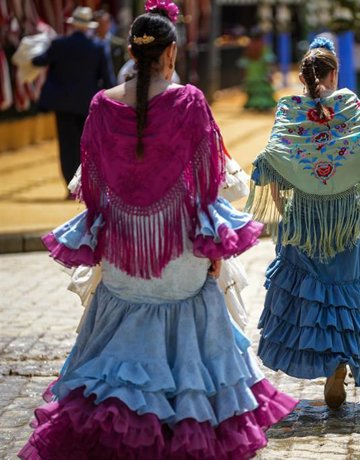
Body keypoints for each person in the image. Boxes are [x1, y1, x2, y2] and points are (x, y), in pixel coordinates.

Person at [19, 2, 297, 458]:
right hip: (180, 252)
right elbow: (208, 184)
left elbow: (92, 185)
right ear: (171, 53)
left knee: (116, 349)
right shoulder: (189, 101)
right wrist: (215, 252)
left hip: (125, 253)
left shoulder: (101, 104)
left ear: (132, 51)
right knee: (195, 345)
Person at [246, 37, 360, 410]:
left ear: (303, 77)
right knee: (348, 289)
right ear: (334, 73)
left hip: (304, 217)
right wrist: (352, 181)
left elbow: (272, 156)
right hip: (346, 215)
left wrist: (284, 200)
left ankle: (328, 362)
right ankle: (340, 365)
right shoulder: (348, 103)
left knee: (312, 291)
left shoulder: (289, 107)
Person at [32, 6, 116, 194]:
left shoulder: (59, 44)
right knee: (87, 145)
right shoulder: (98, 46)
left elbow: (38, 61)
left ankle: (70, 186)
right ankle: (85, 184)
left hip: (63, 104)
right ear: (89, 26)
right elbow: (108, 79)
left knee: (66, 145)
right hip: (87, 105)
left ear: (73, 24)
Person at [239, 28, 276, 111]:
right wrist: (270, 72)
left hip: (251, 72)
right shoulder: (264, 46)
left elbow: (243, 62)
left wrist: (244, 74)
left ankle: (254, 105)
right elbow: (268, 60)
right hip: (262, 71)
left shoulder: (248, 46)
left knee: (253, 90)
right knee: (262, 89)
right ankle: (262, 105)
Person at [94, 9, 128, 76]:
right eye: (100, 23)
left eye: (106, 22)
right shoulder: (91, 43)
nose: (103, 26)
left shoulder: (118, 44)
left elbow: (123, 64)